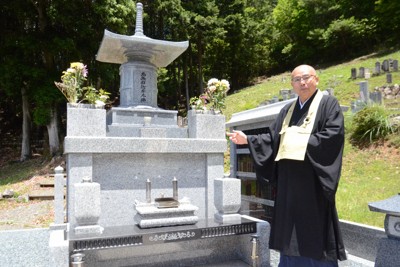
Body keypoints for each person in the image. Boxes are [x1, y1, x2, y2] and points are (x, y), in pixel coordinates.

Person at [227, 65, 347, 267]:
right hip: (289, 184)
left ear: (316, 79)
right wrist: (247, 139)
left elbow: (332, 138)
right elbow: (273, 139)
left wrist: (295, 138)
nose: (302, 83)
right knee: (290, 232)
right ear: (292, 84)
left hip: (313, 181)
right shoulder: (288, 110)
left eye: (306, 78)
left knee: (314, 231)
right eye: (297, 79)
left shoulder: (328, 105)